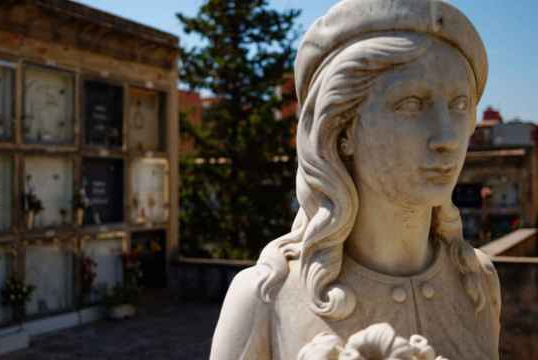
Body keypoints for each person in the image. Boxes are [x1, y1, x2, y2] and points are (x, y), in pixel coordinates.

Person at [210, 0, 501, 359]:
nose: (447, 138)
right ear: (342, 127)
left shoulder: (478, 282)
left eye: (458, 105)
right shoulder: (266, 297)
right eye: (411, 103)